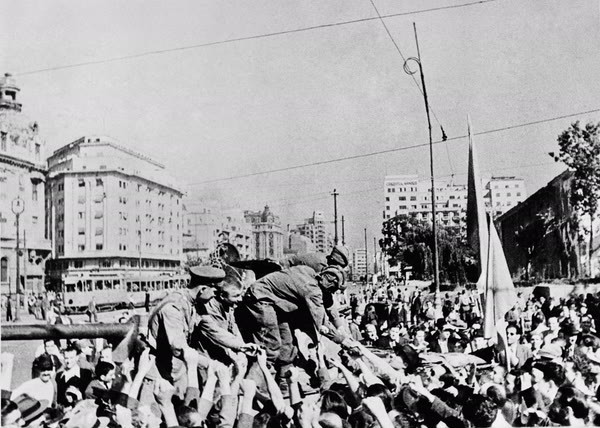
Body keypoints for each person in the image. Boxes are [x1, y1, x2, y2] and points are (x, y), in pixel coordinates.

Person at [239, 265, 346, 382]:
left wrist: (339, 326)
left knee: (287, 340)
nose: (332, 293)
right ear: (331, 284)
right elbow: (321, 321)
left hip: (276, 304)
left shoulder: (309, 271)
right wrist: (342, 340)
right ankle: (254, 385)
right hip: (260, 298)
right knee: (271, 344)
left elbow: (329, 304)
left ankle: (285, 382)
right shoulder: (312, 289)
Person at [147, 265, 225, 397]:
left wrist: (242, 346)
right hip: (157, 372)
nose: (215, 297)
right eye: (215, 292)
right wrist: (210, 364)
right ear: (203, 289)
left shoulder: (194, 304)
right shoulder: (174, 307)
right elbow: (178, 347)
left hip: (175, 369)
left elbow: (214, 330)